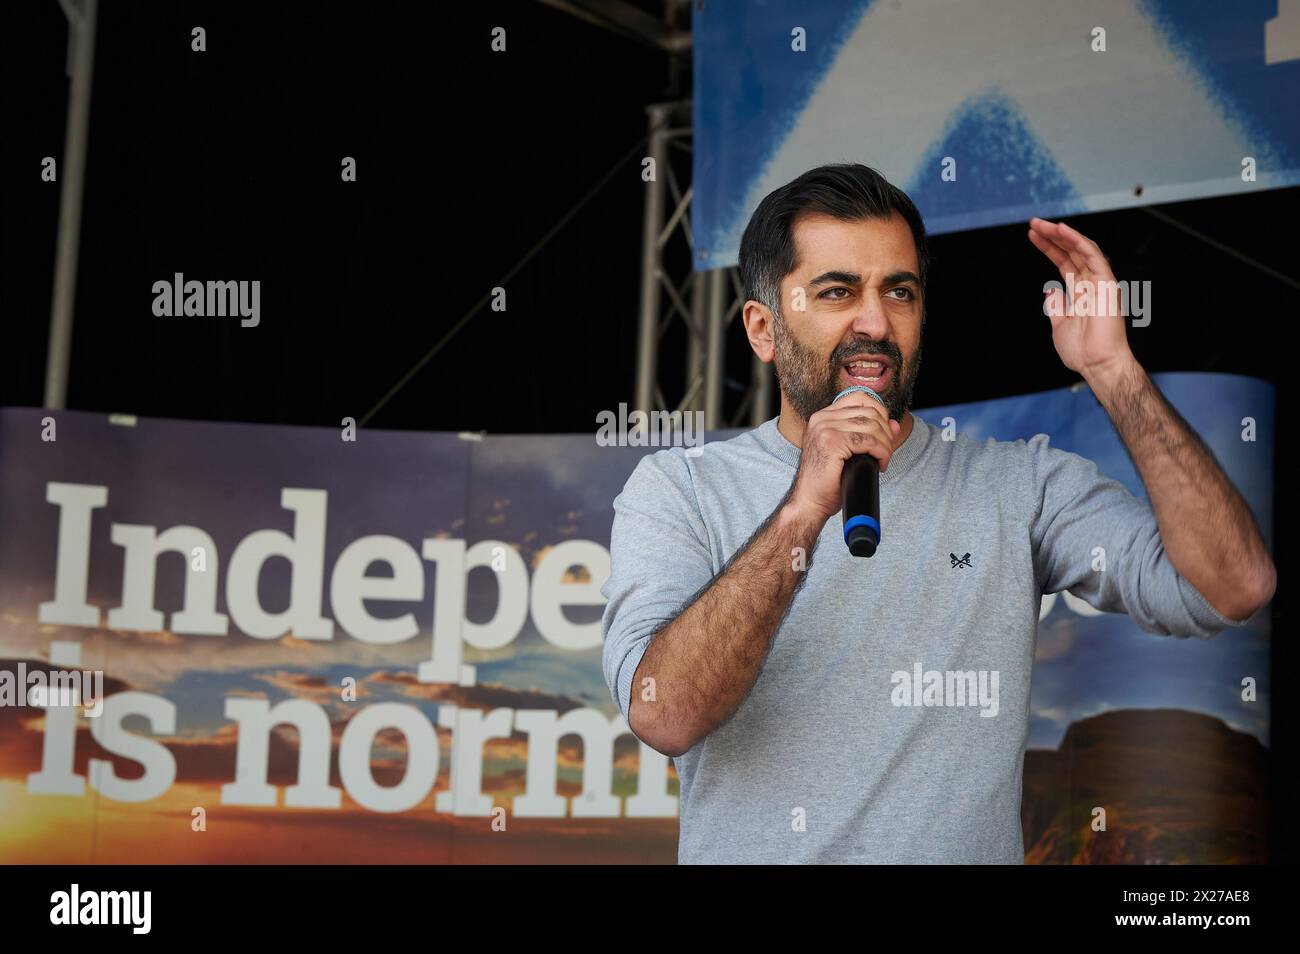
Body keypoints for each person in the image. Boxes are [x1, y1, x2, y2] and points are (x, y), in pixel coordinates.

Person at [599, 163, 1275, 864]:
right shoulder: (679, 489)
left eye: (900, 291)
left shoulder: (1019, 486)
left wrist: (1114, 371)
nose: (875, 322)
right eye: (838, 292)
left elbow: (1233, 584)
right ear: (763, 329)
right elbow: (664, 712)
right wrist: (803, 510)